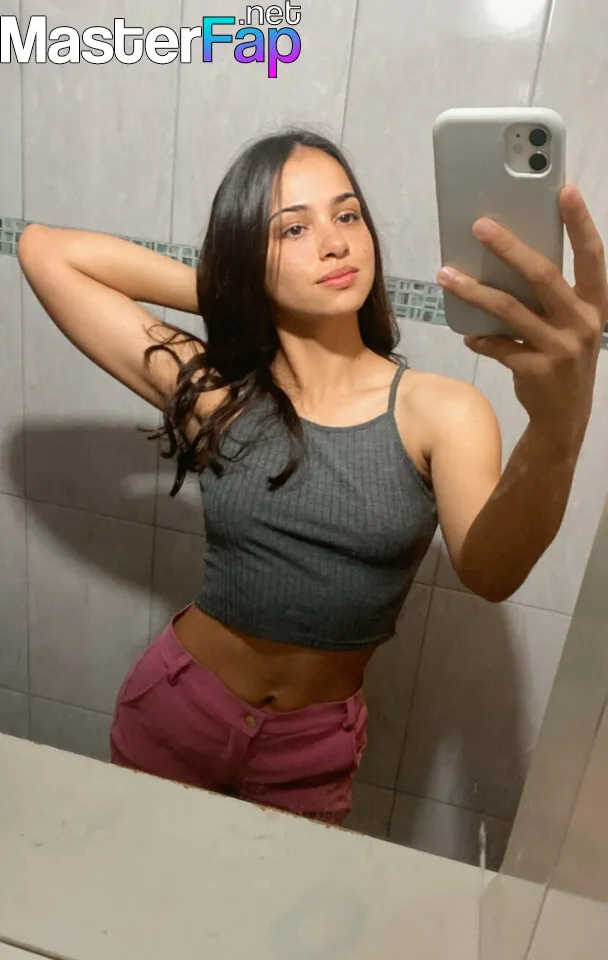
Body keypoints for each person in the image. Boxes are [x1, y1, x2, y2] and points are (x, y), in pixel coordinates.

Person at [17, 129, 606, 826]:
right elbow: (45, 251)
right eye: (292, 228)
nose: (335, 243)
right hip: (179, 708)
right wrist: (240, 293)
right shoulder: (217, 395)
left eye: (347, 215)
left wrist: (558, 425)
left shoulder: (442, 410)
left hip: (310, 749)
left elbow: (492, 572)